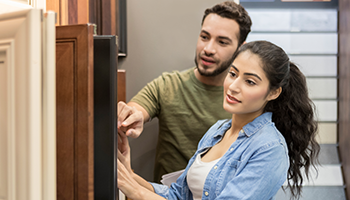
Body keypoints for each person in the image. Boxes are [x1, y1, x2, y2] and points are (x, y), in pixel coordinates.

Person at [117, 40, 320, 200]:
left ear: (273, 93)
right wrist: (129, 175)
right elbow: (179, 195)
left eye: (250, 82)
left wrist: (135, 191)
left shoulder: (270, 148)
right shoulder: (218, 130)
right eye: (233, 74)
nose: (233, 86)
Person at [117, 1, 252, 183]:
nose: (208, 49)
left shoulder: (248, 100)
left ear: (240, 48)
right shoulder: (168, 85)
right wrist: (132, 116)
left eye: (222, 42)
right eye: (204, 37)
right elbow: (137, 109)